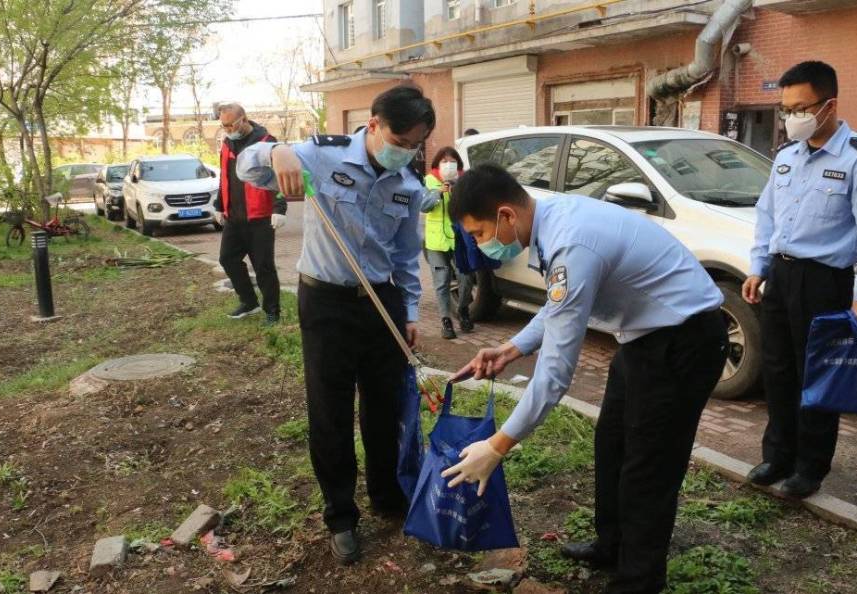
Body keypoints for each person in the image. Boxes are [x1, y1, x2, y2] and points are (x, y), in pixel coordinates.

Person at [441, 164, 727, 594]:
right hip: (643, 339)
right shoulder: (548, 218)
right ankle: (611, 545)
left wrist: (498, 446)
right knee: (612, 444)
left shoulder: (570, 242)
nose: (480, 245)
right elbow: (562, 305)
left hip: (683, 343)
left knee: (648, 468)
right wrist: (512, 348)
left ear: (505, 215)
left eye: (479, 233)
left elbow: (555, 374)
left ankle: (639, 581)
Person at [235, 85, 436, 564]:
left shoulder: (407, 186)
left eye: (415, 146)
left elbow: (407, 258)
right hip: (325, 302)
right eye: (399, 140)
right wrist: (278, 149)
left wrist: (408, 313)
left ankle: (387, 496)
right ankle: (340, 515)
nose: (404, 152)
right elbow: (248, 166)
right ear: (373, 125)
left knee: (384, 409)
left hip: (381, 301)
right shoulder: (322, 157)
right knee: (330, 411)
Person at [742, 61, 857, 499]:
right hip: (782, 276)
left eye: (801, 107)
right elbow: (767, 216)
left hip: (825, 281)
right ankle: (778, 456)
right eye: (786, 108)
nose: (793, 117)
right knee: (778, 370)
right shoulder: (787, 157)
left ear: (830, 105)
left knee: (817, 377)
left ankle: (809, 468)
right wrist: (759, 267)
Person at [217, 103, 287, 322]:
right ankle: (249, 302)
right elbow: (224, 176)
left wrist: (279, 208)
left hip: (261, 217)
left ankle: (272, 312)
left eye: (231, 125)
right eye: (224, 126)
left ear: (243, 119)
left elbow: (281, 177)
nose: (228, 130)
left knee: (263, 267)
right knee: (227, 259)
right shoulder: (227, 144)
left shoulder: (267, 143)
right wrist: (220, 205)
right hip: (234, 218)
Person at [422, 146, 475, 339]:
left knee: (466, 278)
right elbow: (423, 206)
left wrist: (457, 191)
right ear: (437, 164)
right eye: (444, 161)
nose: (448, 164)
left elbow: (471, 206)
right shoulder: (428, 181)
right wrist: (438, 192)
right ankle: (446, 321)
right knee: (441, 281)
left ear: (458, 165)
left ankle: (462, 309)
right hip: (436, 241)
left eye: (452, 161)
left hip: (460, 239)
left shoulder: (463, 182)